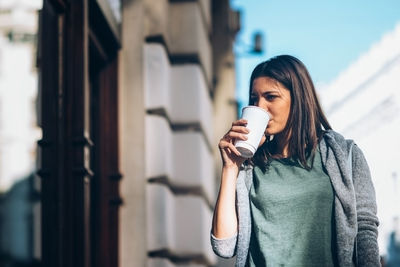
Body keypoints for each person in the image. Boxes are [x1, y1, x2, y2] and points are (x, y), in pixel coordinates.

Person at [210, 55, 380, 267]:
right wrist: (230, 167)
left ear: (297, 98)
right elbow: (224, 247)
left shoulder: (345, 156)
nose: (260, 106)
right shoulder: (250, 167)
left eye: (270, 97)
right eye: (254, 99)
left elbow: (365, 230)